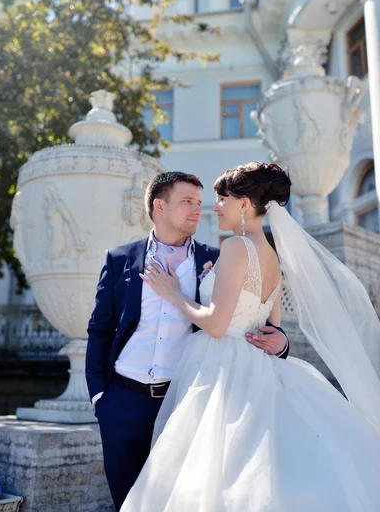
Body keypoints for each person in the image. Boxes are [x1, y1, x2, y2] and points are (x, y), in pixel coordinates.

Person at [121, 162, 380, 512]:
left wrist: (173, 293)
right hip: (261, 368)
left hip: (224, 371)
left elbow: (214, 325)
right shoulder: (272, 255)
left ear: (243, 204)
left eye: (221, 199)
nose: (215, 207)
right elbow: (269, 327)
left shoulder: (235, 248)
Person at [85, 171, 289, 511]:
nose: (200, 209)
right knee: (127, 502)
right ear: (159, 206)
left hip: (187, 401)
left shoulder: (218, 255)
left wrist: (281, 342)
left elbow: (251, 320)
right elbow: (100, 329)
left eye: (201, 201)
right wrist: (100, 397)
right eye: (187, 202)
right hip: (123, 402)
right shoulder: (120, 259)